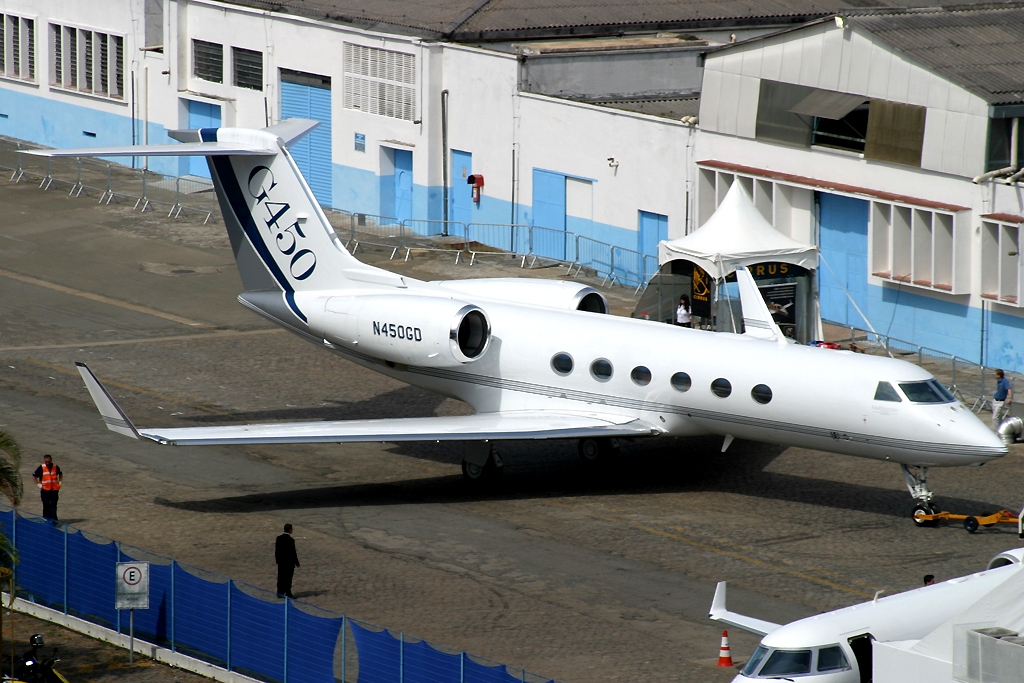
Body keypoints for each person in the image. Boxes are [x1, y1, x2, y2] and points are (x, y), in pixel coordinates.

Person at [32, 454, 61, 521]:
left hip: (54, 489)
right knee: (46, 505)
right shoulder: (41, 467)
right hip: (45, 489)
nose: (47, 463)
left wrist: (60, 482)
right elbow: (34, 476)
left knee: (53, 504)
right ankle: (46, 519)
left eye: (49, 462)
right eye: (46, 462)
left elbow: (60, 473)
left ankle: (54, 520)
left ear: (51, 460)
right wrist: (38, 484)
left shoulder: (55, 467)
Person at [275, 523, 300, 598]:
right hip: (289, 563)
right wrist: (297, 562)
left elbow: (277, 550)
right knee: (288, 578)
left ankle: (280, 592)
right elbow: (293, 552)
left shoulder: (279, 538)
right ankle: (288, 592)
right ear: (290, 530)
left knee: (281, 577)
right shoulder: (291, 540)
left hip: (281, 562)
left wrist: (278, 560)